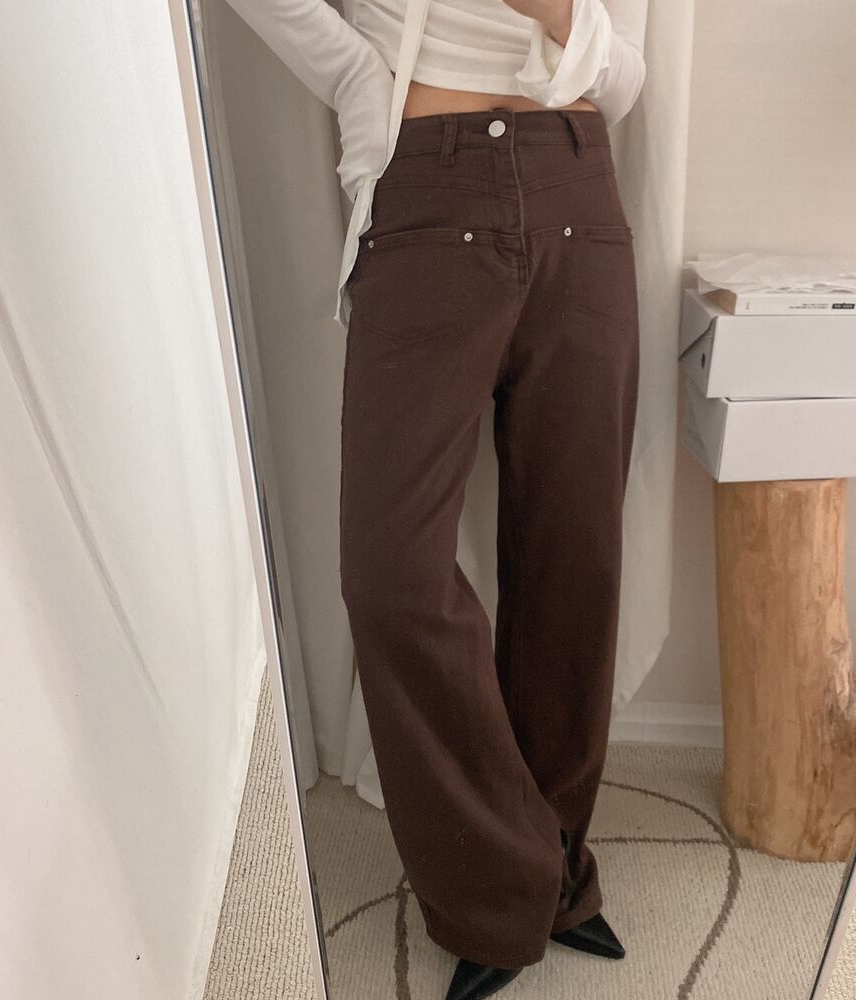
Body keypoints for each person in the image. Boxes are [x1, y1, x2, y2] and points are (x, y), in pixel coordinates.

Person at [223, 2, 648, 998]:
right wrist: (358, 79)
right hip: (426, 190)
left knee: (571, 562)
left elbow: (625, 81)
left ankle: (557, 877)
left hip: (578, 191)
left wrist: (552, 11)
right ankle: (503, 882)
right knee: (389, 575)